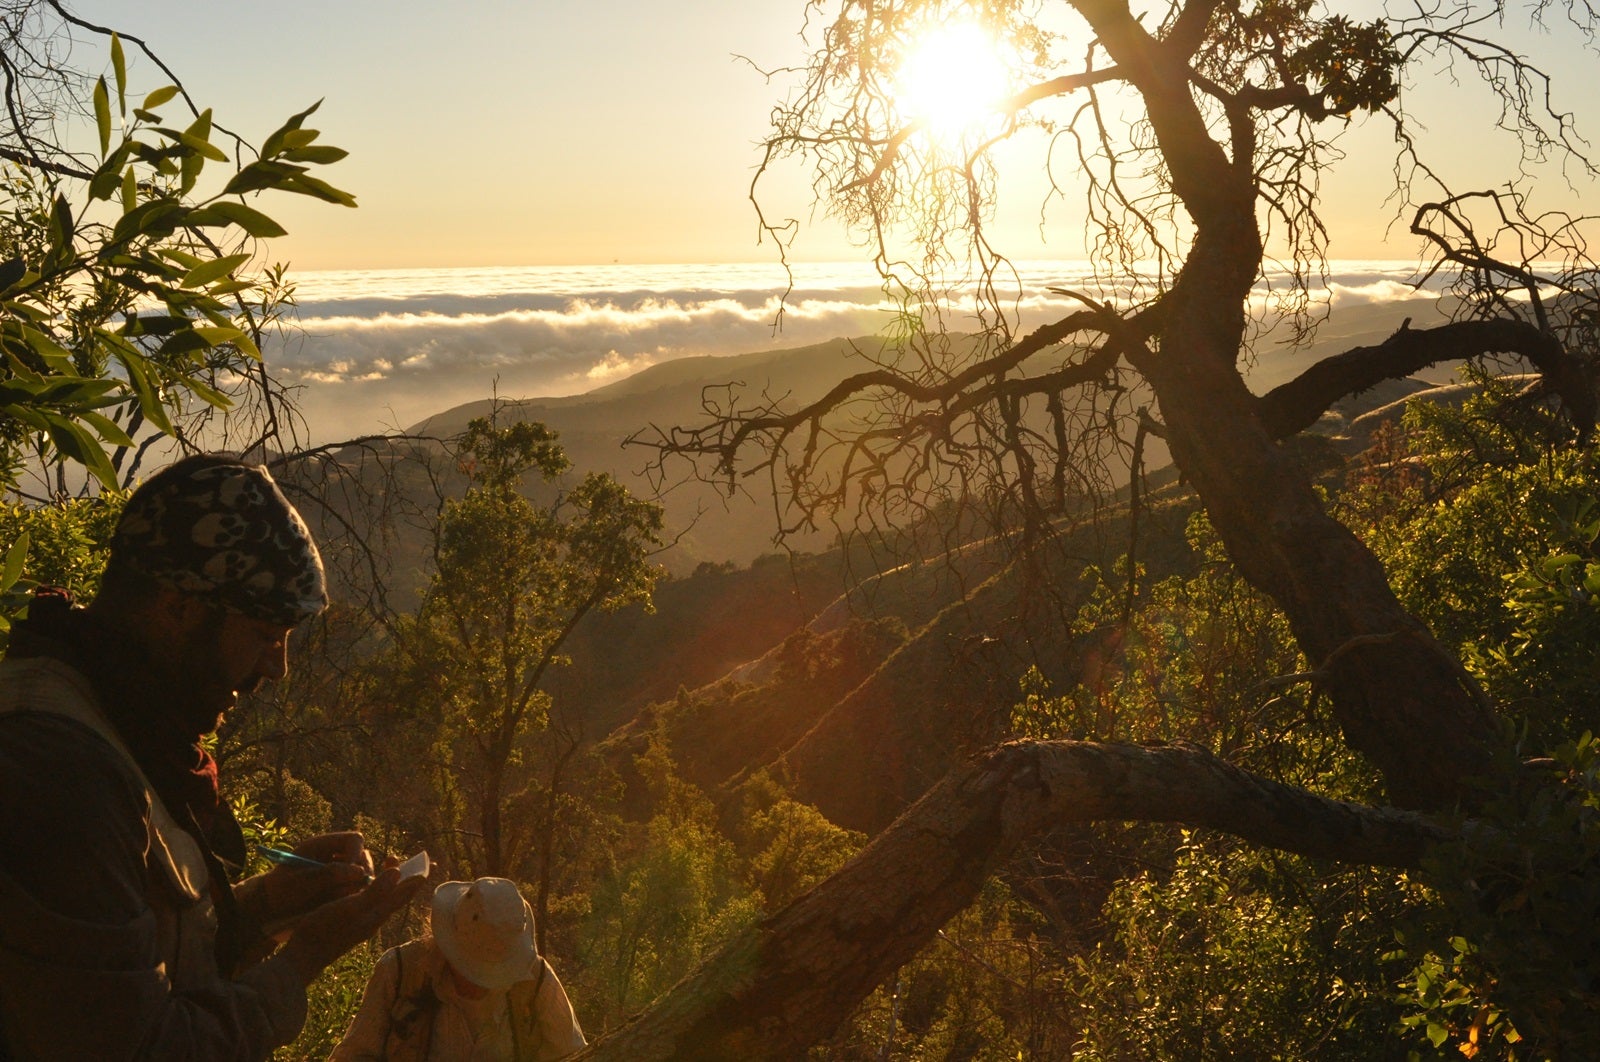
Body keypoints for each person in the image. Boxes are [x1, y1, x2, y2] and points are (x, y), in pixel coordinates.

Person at [0, 454, 428, 1059]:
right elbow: (142, 1046)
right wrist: (305, 956)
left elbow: (139, 961)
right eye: (263, 635)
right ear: (177, 608)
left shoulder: (114, 725)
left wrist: (267, 906)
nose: (276, 668)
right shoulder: (61, 775)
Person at [332, 877, 587, 1061]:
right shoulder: (400, 972)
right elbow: (353, 1054)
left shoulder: (535, 981)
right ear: (448, 944)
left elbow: (575, 1054)